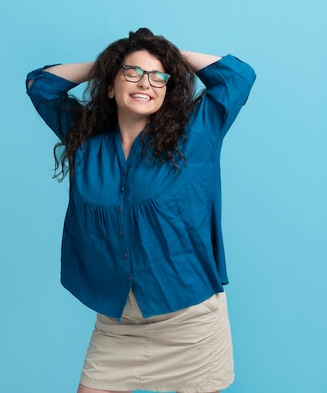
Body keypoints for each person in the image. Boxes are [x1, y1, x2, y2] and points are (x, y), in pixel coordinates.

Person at [26, 27, 256, 393]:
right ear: (110, 86)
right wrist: (110, 63)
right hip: (119, 323)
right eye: (132, 73)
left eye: (156, 77)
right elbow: (40, 84)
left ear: (167, 89)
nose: (144, 82)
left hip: (189, 321)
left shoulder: (195, 138)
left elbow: (238, 76)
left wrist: (167, 56)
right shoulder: (85, 141)